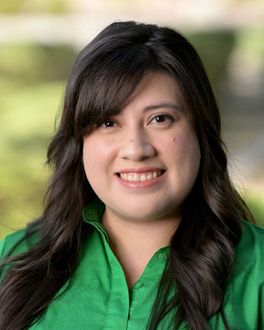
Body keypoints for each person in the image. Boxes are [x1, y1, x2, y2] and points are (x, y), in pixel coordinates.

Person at [0, 21, 263, 330]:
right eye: (108, 123)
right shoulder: (13, 262)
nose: (136, 149)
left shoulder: (257, 272)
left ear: (200, 131)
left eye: (160, 119)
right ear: (79, 142)